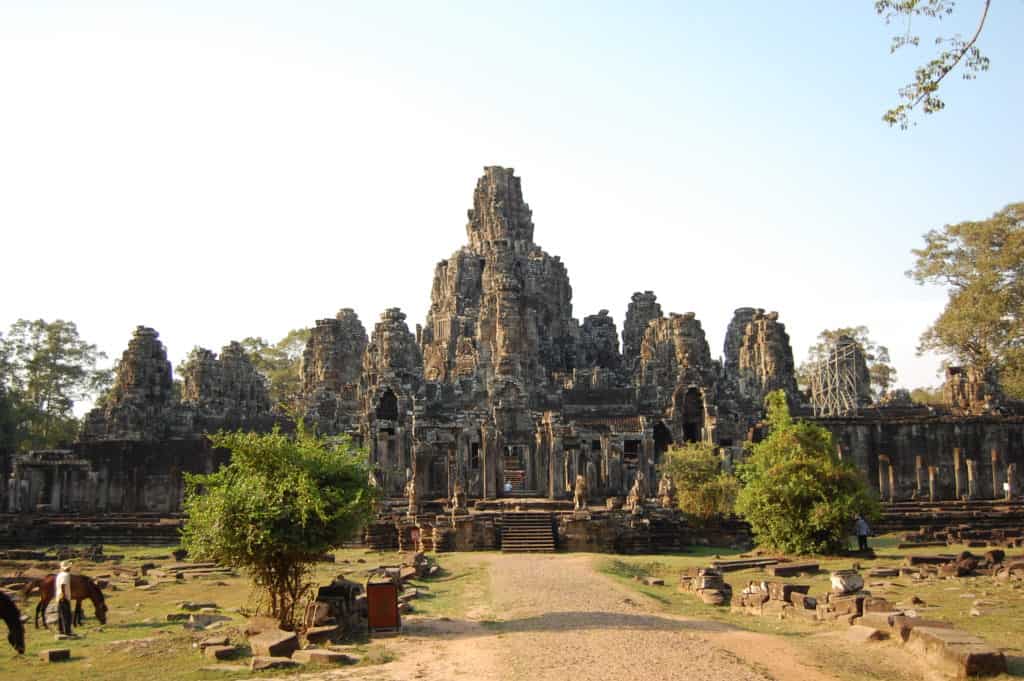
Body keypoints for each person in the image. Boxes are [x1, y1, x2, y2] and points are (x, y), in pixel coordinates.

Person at [55, 560, 73, 636]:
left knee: (60, 614)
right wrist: (64, 595)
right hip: (63, 597)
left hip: (59, 596)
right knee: (67, 615)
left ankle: (61, 630)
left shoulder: (59, 575)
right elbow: (63, 585)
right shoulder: (65, 575)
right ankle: (67, 631)